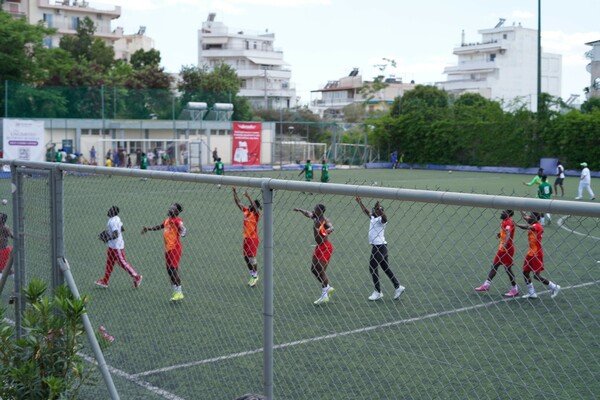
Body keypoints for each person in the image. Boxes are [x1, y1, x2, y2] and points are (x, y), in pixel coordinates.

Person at [355, 197, 405, 301]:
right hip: (380, 247)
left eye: (377, 210)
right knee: (385, 268)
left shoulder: (381, 220)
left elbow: (385, 218)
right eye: (375, 209)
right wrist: (360, 202)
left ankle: (378, 292)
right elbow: (366, 211)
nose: (374, 211)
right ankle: (398, 287)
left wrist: (380, 210)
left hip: (379, 247)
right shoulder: (373, 217)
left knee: (372, 267)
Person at [141, 203, 187, 302]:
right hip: (168, 249)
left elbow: (182, 226)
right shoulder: (167, 220)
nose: (170, 209)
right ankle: (175, 291)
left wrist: (183, 231)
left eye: (173, 209)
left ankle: (179, 292)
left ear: (177, 212)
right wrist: (148, 229)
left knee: (173, 269)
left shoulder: (177, 220)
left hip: (175, 248)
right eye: (170, 208)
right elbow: (160, 226)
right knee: (169, 270)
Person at [293, 204, 334, 305]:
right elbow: (308, 213)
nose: (313, 210)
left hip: (325, 247)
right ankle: (327, 287)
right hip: (318, 247)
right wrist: (300, 209)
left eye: (315, 209)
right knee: (313, 269)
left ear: (320, 211)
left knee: (320, 269)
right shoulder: (315, 218)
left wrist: (325, 231)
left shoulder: (324, 220)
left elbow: (331, 227)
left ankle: (324, 295)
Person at [515, 212, 560, 299]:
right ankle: (532, 293)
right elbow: (525, 216)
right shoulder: (533, 221)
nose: (529, 218)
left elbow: (527, 227)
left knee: (536, 275)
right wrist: (519, 208)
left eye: (531, 217)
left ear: (536, 218)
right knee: (525, 272)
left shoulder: (537, 226)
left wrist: (516, 224)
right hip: (530, 253)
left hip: (537, 254)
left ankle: (554, 287)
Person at [95, 206, 142, 289]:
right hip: (112, 246)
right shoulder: (117, 218)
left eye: (110, 210)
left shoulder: (112, 221)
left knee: (122, 262)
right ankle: (105, 281)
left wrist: (107, 238)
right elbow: (122, 229)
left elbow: (116, 235)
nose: (108, 211)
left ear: (113, 213)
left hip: (117, 246)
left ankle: (136, 277)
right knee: (109, 263)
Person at [475, 210, 519, 297]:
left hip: (507, 249)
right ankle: (486, 285)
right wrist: (500, 234)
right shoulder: (505, 221)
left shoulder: (509, 222)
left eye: (503, 212)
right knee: (494, 266)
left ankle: (515, 289)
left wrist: (505, 245)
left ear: (508, 214)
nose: (501, 213)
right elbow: (506, 232)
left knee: (508, 269)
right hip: (502, 249)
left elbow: (509, 234)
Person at [232, 188, 261, 287]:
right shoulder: (246, 211)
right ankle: (253, 275)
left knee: (252, 258)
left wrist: (248, 196)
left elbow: (255, 207)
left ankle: (255, 275)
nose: (249, 205)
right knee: (246, 257)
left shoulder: (256, 214)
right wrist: (234, 193)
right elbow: (238, 203)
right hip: (246, 238)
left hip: (253, 239)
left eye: (252, 204)